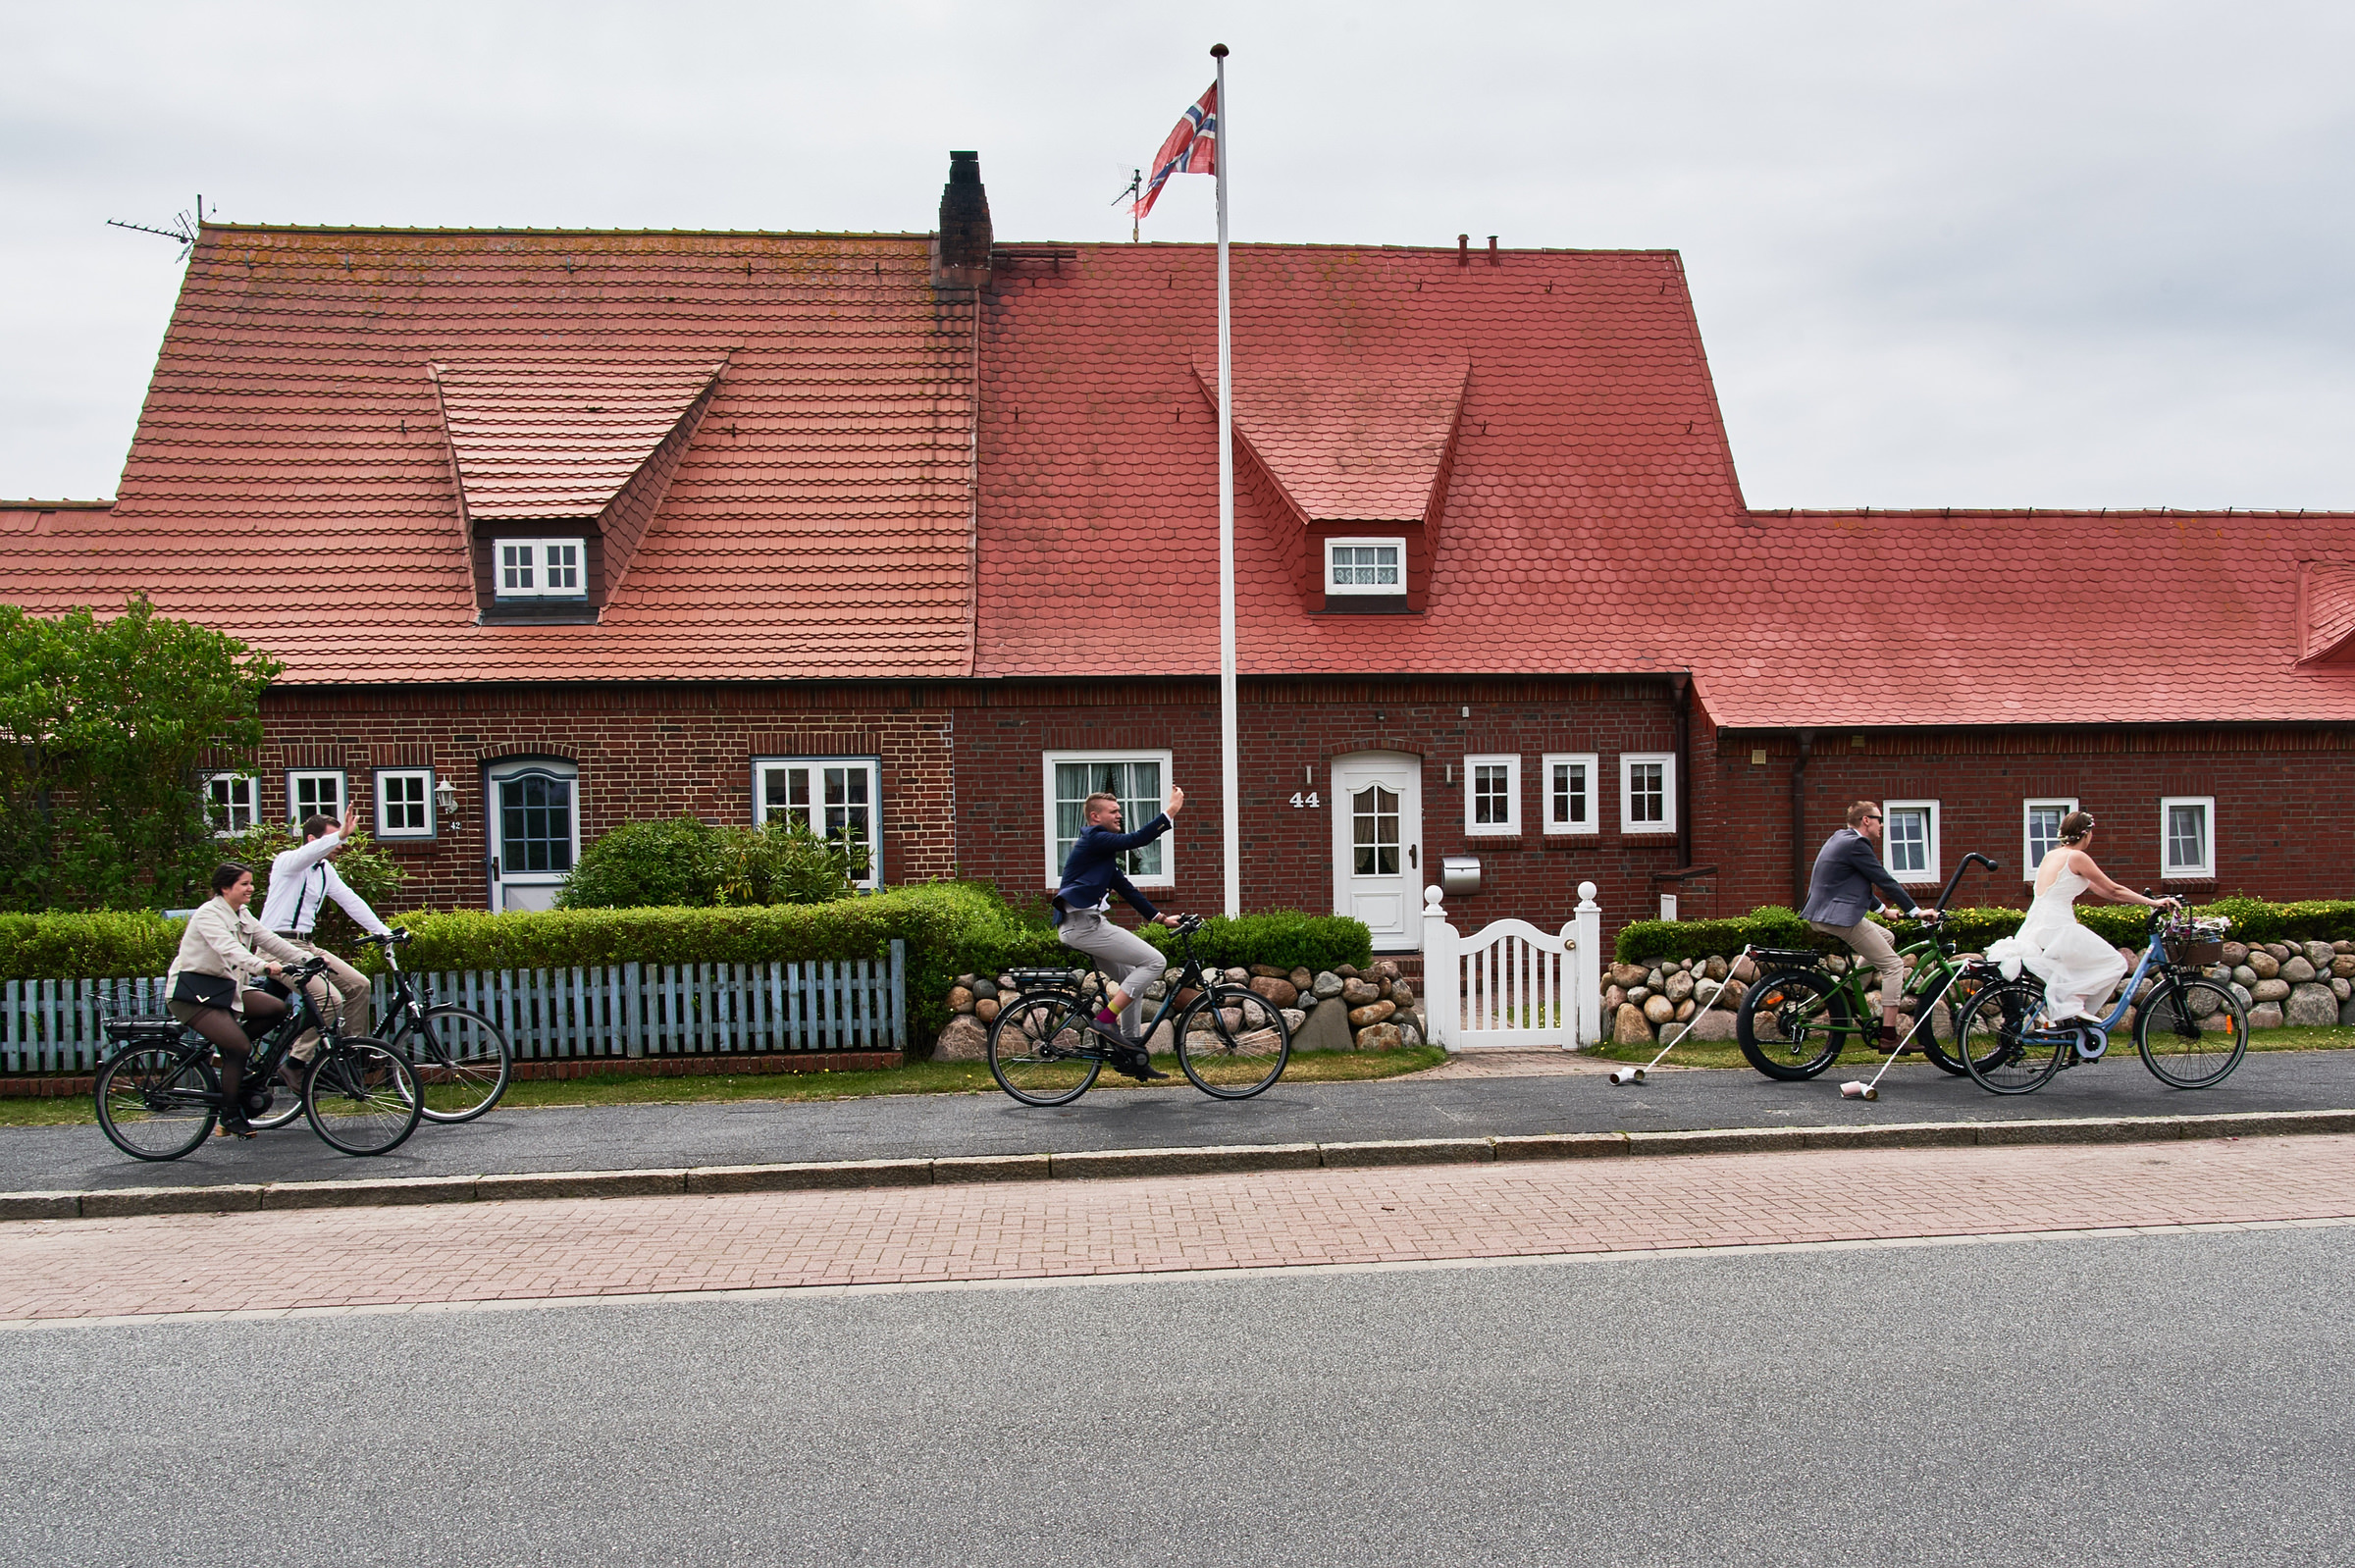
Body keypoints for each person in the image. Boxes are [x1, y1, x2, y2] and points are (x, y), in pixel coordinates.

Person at [1989, 810, 2177, 1023]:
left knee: (2075, 969)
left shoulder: (2052, 855)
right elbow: (2114, 890)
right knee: (2115, 963)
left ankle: (2066, 1017)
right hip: (2058, 927)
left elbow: (2101, 890)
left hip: (2036, 925)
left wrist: (2143, 900)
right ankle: (2072, 1003)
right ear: (2086, 834)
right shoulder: (2077, 857)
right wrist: (2154, 903)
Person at [1053, 783, 1186, 1080]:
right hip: (1084, 925)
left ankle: (1130, 1053)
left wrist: (1160, 918)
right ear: (1094, 817)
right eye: (1113, 812)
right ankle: (1105, 1020)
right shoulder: (1094, 839)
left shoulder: (1101, 852)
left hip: (1085, 925)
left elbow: (1127, 888)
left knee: (1131, 980)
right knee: (1155, 962)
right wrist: (1171, 812)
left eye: (1120, 812)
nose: (1119, 816)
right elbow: (1138, 839)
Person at [167, 862, 304, 1138]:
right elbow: (228, 950)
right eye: (244, 884)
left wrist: (308, 959)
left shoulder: (241, 913)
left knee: (276, 1009)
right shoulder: (209, 915)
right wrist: (263, 967)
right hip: (194, 995)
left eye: (251, 883)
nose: (251, 888)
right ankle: (228, 1114)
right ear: (225, 888)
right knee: (240, 1047)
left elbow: (270, 940)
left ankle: (228, 1048)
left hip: (224, 990)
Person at [256, 801, 392, 1075]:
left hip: (306, 945)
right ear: (311, 840)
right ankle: (296, 1063)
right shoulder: (287, 862)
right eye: (332, 838)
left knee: (359, 985)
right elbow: (307, 855)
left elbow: (350, 901)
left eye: (339, 838)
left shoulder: (325, 871)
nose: (340, 845)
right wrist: (340, 834)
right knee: (328, 998)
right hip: (276, 946)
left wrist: (383, 932)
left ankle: (352, 1056)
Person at [1803, 801, 1936, 1053]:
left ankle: (1855, 990)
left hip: (1825, 913)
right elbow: (1883, 879)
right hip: (1837, 917)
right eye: (1879, 819)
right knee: (1894, 965)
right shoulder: (1857, 844)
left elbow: (1855, 881)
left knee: (1886, 937)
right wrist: (1917, 911)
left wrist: (1883, 911)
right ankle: (1888, 1036)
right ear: (1866, 820)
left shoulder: (1840, 838)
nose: (1882, 825)